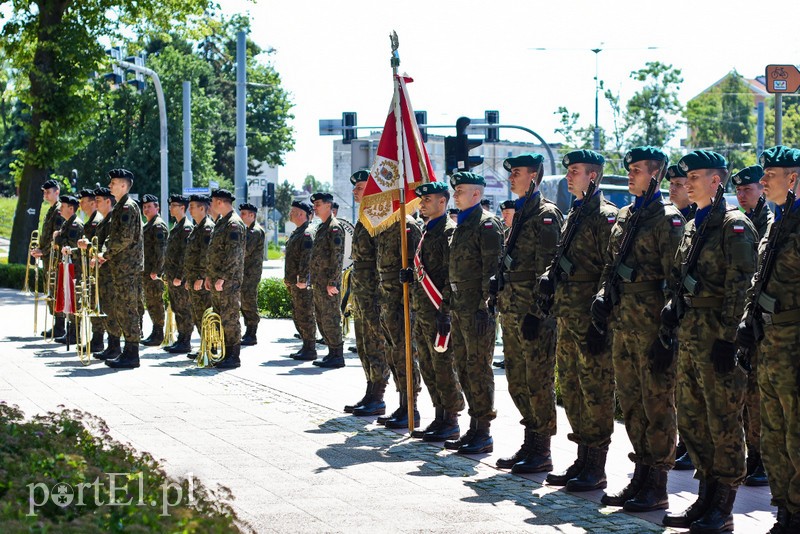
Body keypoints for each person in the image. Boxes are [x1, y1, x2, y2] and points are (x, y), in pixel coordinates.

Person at [662, 150, 757, 532]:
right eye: (686, 177)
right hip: (691, 334)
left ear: (716, 181)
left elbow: (743, 285)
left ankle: (724, 504)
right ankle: (705, 495)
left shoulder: (734, 225)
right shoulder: (693, 226)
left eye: (696, 176)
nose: (687, 183)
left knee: (723, 421)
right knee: (692, 417)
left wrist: (730, 337)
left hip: (717, 335)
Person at [592, 147, 685, 512]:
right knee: (631, 403)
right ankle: (641, 474)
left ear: (657, 174)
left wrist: (667, 333)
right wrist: (601, 299)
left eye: (636, 170)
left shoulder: (668, 219)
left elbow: (675, 280)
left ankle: (657, 482)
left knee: (657, 404)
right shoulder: (628, 216)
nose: (629, 176)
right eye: (628, 170)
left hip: (650, 327)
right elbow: (611, 266)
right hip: (623, 323)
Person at [542, 150, 618, 492]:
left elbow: (610, 267)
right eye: (568, 171)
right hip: (567, 316)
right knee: (570, 389)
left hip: (590, 319)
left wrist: (601, 314)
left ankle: (596, 464)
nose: (569, 176)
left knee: (595, 391)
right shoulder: (575, 213)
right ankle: (582, 457)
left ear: (593, 176)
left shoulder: (605, 217)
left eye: (575, 171)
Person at [736, 145, 800, 533]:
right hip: (771, 344)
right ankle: (786, 509)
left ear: (792, 178)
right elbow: (759, 283)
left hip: (795, 345)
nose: (762, 183)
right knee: (773, 435)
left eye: (770, 176)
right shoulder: (778, 223)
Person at [491, 153, 562, 474]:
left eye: (517, 173)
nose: (511, 178)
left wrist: (537, 312)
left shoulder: (546, 215)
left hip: (534, 314)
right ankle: (529, 439)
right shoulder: (519, 214)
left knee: (538, 381)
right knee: (517, 381)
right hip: (512, 309)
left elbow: (548, 269)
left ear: (533, 177)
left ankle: (541, 448)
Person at [443, 171, 504, 454]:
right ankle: (473, 426)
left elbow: (491, 271)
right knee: (465, 368)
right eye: (455, 191)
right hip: (460, 308)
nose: (455, 195)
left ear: (476, 195)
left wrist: (484, 308)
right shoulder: (460, 226)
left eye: (460, 190)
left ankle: (484, 431)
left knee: (479, 369)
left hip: (477, 311)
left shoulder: (487, 225)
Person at [402, 180, 465, 441]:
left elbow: (452, 275)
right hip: (423, 310)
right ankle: (439, 415)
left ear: (443, 201)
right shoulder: (428, 231)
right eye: (421, 201)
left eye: (428, 200)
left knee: (443, 366)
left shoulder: (449, 232)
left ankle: (450, 419)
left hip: (439, 310)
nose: (423, 204)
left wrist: (446, 312)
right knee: (428, 365)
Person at [731, 164, 772, 488]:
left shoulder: (771, 225)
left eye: (749, 189)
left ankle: (760, 459)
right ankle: (752, 455)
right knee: (745, 396)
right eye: (740, 190)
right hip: (747, 322)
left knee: (759, 397)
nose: (743, 195)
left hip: (768, 327)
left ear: (762, 189)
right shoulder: (742, 223)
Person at [345, 171, 391, 416]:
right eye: (355, 188)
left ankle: (378, 394)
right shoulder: (363, 219)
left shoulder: (378, 220)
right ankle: (370, 390)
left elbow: (382, 261)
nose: (355, 192)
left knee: (375, 344)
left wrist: (378, 295)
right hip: (361, 292)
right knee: (363, 344)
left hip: (373, 292)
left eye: (360, 187)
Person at [374, 202, 422, 428]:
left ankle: (411, 407)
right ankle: (402, 404)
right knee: (393, 353)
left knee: (405, 353)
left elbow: (416, 269)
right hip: (388, 300)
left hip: (403, 302)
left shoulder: (408, 227)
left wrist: (410, 304)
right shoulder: (387, 226)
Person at [99, 169, 144, 369]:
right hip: (121, 267)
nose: (110, 186)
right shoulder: (120, 207)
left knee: (128, 309)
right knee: (122, 308)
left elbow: (124, 238)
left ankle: (132, 353)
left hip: (128, 267)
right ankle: (127, 351)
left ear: (124, 186)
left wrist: (106, 254)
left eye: (114, 182)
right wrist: (103, 253)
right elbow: (111, 236)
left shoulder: (127, 207)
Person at [297, 192, 345, 368]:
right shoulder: (322, 227)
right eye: (315, 204)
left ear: (328, 206)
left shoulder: (334, 227)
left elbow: (337, 257)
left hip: (328, 283)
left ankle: (337, 355)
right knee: (322, 318)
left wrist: (333, 281)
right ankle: (331, 352)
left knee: (331, 317)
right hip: (319, 282)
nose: (315, 208)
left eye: (318, 204)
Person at [204, 189, 246, 369]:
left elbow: (233, 255)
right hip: (216, 280)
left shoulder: (234, 224)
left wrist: (222, 277)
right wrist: (209, 276)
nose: (211, 205)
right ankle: (225, 353)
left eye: (212, 202)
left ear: (220, 202)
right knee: (221, 317)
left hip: (227, 281)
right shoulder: (222, 222)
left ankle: (233, 356)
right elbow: (214, 253)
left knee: (230, 317)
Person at [80, 187, 115, 356]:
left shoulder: (108, 220)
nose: (96, 203)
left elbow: (107, 247)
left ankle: (112, 344)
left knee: (109, 308)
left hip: (108, 272)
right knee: (98, 305)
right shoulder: (103, 221)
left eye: (98, 200)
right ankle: (100, 340)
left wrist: (90, 247)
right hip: (99, 270)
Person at [31, 179, 65, 338]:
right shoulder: (52, 209)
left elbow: (57, 237)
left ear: (57, 192)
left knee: (56, 289)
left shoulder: (59, 211)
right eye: (44, 192)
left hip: (54, 258)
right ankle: (57, 325)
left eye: (48, 192)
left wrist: (43, 251)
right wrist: (40, 248)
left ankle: (60, 326)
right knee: (51, 290)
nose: (45, 194)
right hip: (48, 257)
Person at [182, 194, 215, 358]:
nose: (190, 209)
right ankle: (205, 346)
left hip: (201, 281)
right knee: (198, 316)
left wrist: (201, 277)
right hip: (194, 280)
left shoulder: (207, 228)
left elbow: (207, 255)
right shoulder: (198, 227)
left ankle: (212, 348)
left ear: (202, 208)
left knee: (205, 314)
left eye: (193, 206)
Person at [284, 200, 316, 360]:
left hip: (302, 283)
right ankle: (305, 345)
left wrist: (303, 279)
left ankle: (310, 348)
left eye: (293, 211)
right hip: (295, 282)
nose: (290, 214)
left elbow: (306, 258)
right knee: (298, 314)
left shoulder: (307, 233)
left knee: (305, 314)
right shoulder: (298, 232)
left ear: (301, 214)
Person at [163, 194, 195, 354]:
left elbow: (185, 255)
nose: (171, 208)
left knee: (184, 309)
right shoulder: (176, 226)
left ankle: (186, 339)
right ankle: (181, 339)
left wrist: (180, 277)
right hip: (172, 276)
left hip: (179, 278)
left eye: (174, 205)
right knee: (177, 307)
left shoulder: (186, 228)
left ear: (183, 208)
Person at [52, 195, 85, 345]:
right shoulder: (67, 223)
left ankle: (74, 333)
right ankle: (71, 331)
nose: (60, 209)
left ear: (71, 209)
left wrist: (57, 238)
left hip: (75, 268)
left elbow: (70, 245)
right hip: (67, 266)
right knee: (68, 299)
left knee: (74, 299)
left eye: (63, 206)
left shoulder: (75, 225)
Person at [139, 194, 168, 347]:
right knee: (150, 302)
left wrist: (157, 270)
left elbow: (161, 250)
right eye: (144, 207)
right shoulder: (147, 225)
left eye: (149, 206)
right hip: (147, 271)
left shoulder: (158, 225)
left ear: (157, 208)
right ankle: (155, 331)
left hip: (154, 273)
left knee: (155, 302)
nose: (146, 209)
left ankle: (159, 332)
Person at [239, 202, 265, 346]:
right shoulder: (246, 230)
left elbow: (244, 251)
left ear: (252, 215)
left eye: (243, 214)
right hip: (244, 272)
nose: (241, 216)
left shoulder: (254, 232)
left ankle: (252, 332)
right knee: (244, 301)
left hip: (250, 273)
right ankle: (248, 331)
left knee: (249, 301)